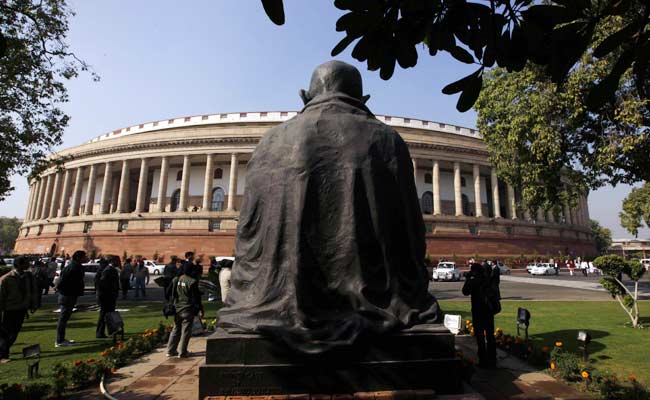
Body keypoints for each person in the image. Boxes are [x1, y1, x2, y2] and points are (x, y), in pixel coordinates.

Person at [0, 256, 39, 363]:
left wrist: (33, 305)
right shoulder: (6, 279)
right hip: (9, 309)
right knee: (6, 333)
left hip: (22, 308)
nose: (29, 265)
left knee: (14, 332)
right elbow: (1, 296)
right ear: (20, 265)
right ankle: (2, 355)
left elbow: (32, 292)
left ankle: (3, 351)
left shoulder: (27, 277)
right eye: (27, 263)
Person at [462, 262, 499, 368]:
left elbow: (465, 291)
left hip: (478, 312)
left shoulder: (473, 282)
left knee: (480, 337)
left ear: (474, 271)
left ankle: (483, 361)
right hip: (489, 312)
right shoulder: (487, 280)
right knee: (490, 335)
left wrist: (468, 279)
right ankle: (492, 360)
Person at [166, 263, 204, 358]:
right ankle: (182, 352)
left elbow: (168, 293)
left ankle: (170, 350)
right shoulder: (192, 281)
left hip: (177, 308)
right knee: (186, 331)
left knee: (175, 329)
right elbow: (196, 298)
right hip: (187, 309)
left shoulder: (176, 279)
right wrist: (200, 309)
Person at [55, 250, 86, 347]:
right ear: (78, 258)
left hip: (70, 295)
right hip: (67, 295)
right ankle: (59, 341)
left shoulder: (75, 267)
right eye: (83, 257)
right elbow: (61, 282)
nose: (85, 258)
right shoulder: (72, 268)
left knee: (65, 318)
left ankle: (61, 339)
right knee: (63, 318)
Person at [94, 257, 120, 338]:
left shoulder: (103, 270)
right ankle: (101, 332)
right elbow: (104, 283)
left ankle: (111, 330)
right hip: (107, 296)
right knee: (105, 314)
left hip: (105, 295)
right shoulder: (108, 270)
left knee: (108, 313)